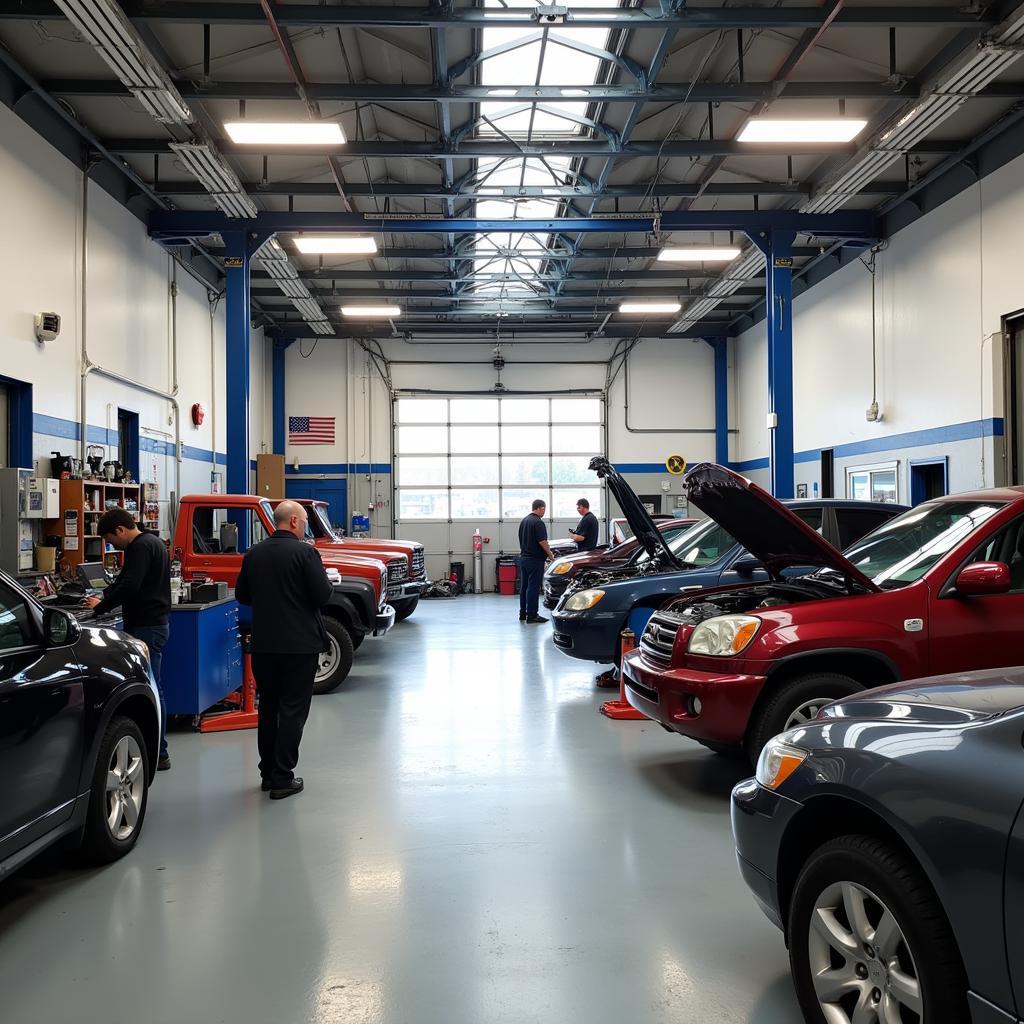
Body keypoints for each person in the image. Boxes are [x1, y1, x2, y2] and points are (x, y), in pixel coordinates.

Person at [235, 500, 333, 800]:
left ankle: (267, 774)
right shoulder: (305, 553)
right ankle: (282, 778)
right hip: (299, 646)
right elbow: (322, 595)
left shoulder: (253, 554)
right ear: (293, 521)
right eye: (303, 522)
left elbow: (243, 595)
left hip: (264, 645)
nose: (304, 527)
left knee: (269, 709)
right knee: (292, 711)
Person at [85, 508, 172, 771]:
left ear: (120, 530)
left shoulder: (140, 547)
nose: (113, 545)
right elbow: (125, 580)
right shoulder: (152, 542)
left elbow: (130, 585)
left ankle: (160, 753)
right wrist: (104, 595)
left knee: (150, 689)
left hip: (146, 626)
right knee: (152, 687)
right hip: (154, 624)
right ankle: (158, 750)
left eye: (112, 540)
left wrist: (100, 606)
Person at [517, 498, 554, 624]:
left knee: (524, 587)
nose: (544, 511)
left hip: (524, 558)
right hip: (535, 560)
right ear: (540, 508)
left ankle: (523, 613)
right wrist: (550, 555)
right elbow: (542, 541)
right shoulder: (538, 522)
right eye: (544, 509)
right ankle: (532, 615)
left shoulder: (524, 521)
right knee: (533, 587)